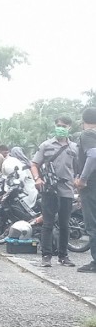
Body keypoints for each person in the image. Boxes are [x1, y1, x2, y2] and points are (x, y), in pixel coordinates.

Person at [31, 116, 78, 267]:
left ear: (69, 127)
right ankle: (46, 256)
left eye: (63, 125)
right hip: (49, 189)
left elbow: (78, 169)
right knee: (48, 223)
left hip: (67, 190)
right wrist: (37, 178)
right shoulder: (46, 145)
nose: (60, 128)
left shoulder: (74, 148)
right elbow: (34, 164)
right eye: (58, 125)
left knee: (65, 224)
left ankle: (63, 256)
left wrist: (78, 182)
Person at [74, 107, 96, 273]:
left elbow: (93, 155)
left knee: (92, 224)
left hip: (91, 187)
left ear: (83, 122)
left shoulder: (88, 134)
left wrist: (83, 179)